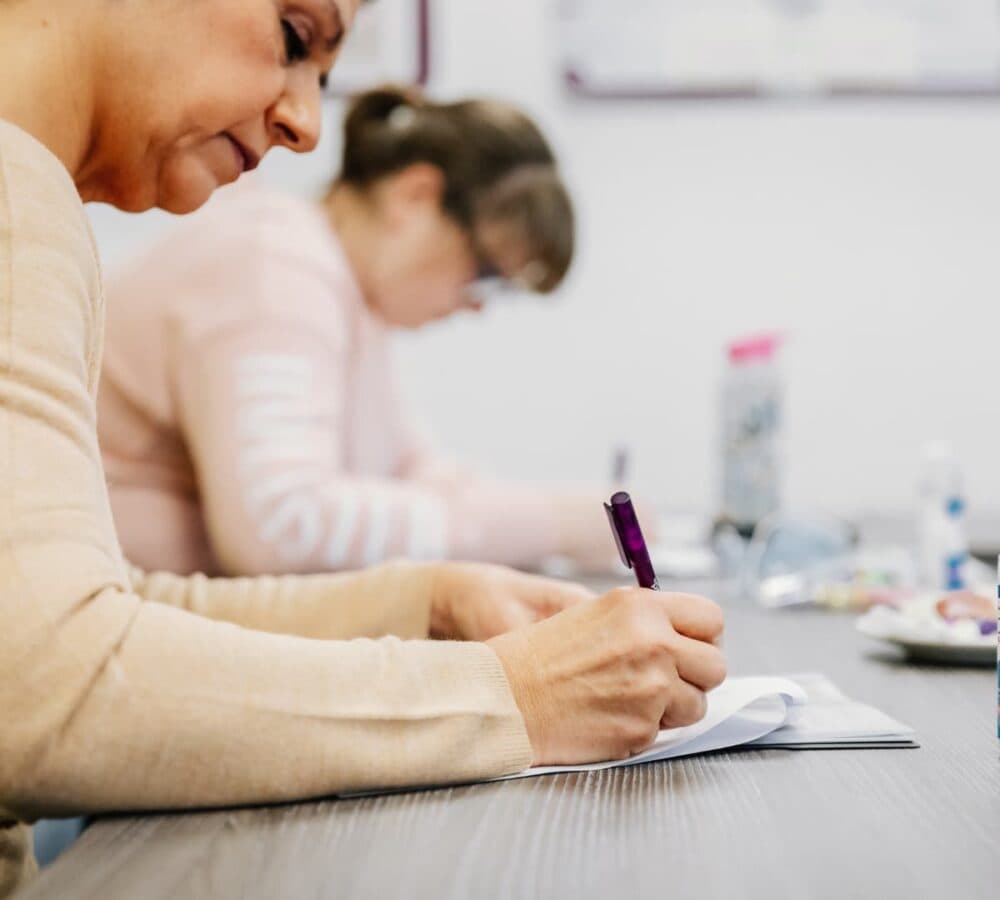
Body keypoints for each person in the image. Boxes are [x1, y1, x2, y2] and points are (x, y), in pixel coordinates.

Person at [0, 2, 726, 896]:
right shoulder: (264, 254)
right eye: (296, 37)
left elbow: (82, 612)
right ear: (417, 197)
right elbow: (49, 678)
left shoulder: (323, 291)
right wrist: (512, 695)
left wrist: (431, 599)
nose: (307, 125)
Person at [98, 85, 620, 577]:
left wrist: (574, 518)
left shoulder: (346, 294)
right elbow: (280, 527)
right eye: (485, 273)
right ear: (415, 197)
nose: (476, 306)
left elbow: (408, 466)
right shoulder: (276, 265)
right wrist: (554, 525)